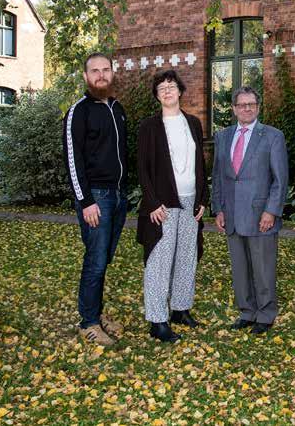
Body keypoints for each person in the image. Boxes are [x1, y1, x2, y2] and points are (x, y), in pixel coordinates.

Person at [136, 70, 208, 343]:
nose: (167, 91)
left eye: (171, 86)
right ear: (157, 95)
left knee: (187, 258)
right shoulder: (149, 127)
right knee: (159, 261)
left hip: (191, 202)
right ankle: (157, 320)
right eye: (161, 88)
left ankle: (180, 309)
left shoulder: (193, 123)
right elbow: (142, 169)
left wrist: (203, 199)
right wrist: (152, 203)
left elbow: (200, 164)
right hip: (162, 204)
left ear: (180, 90)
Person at [211, 86, 288, 335]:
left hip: (260, 215)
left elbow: (280, 179)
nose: (247, 108)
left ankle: (265, 314)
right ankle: (246, 311)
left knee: (263, 268)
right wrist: (218, 209)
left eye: (251, 104)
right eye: (242, 105)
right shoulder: (223, 136)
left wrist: (271, 211)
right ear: (233, 109)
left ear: (258, 107)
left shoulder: (273, 136)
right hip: (231, 214)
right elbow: (219, 176)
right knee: (240, 268)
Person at [63, 52, 128, 346]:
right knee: (95, 261)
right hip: (96, 199)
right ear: (86, 77)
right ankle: (88, 323)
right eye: (95, 71)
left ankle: (96, 314)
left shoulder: (117, 108)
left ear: (112, 73)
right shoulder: (79, 111)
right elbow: (72, 159)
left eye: (105, 70)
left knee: (104, 259)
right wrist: (85, 200)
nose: (101, 75)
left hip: (117, 197)